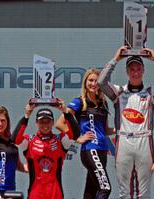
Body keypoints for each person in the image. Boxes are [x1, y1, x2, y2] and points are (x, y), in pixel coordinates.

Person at [97, 46, 154, 198]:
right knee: (124, 193)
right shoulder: (118, 93)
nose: (135, 72)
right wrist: (116, 59)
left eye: (138, 69)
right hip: (123, 141)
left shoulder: (150, 93)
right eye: (132, 69)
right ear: (127, 71)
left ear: (143, 71)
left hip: (144, 141)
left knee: (144, 193)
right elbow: (101, 82)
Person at [56, 68, 114, 199]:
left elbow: (105, 130)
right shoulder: (79, 102)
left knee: (91, 190)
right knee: (105, 187)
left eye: (96, 81)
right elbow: (59, 124)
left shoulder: (103, 103)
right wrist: (77, 138)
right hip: (90, 149)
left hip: (102, 150)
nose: (93, 84)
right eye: (90, 80)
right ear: (85, 82)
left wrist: (121, 129)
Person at [11, 102, 79, 199]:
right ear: (36, 123)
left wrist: (65, 111)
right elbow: (15, 139)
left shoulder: (60, 140)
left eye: (48, 121)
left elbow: (75, 134)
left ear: (52, 122)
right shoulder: (29, 141)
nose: (45, 124)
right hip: (36, 194)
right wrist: (26, 116)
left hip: (55, 193)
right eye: (42, 121)